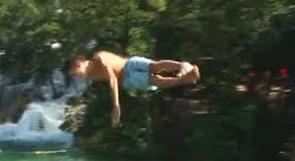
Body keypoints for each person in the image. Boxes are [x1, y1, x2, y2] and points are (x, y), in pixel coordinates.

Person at [70, 51, 200, 127]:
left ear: (80, 63)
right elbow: (114, 80)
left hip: (129, 63)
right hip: (128, 79)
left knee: (155, 66)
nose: (78, 76)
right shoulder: (91, 76)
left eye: (76, 72)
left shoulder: (99, 58)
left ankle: (183, 65)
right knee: (155, 80)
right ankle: (184, 79)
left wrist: (116, 105)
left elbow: (113, 79)